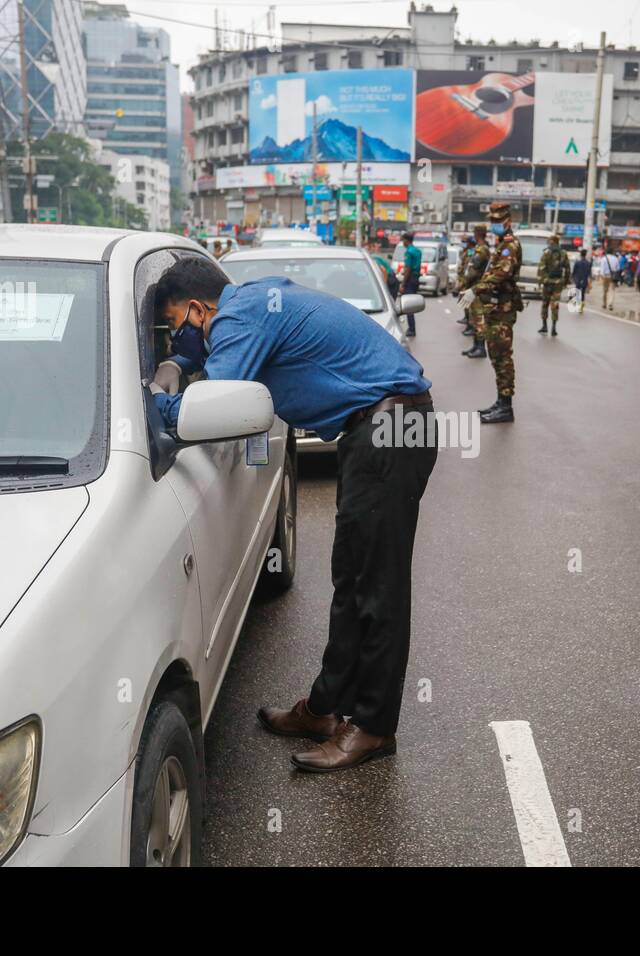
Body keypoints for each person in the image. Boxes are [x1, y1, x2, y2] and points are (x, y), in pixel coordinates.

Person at [148, 258, 437, 773]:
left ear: (198, 309)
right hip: (375, 429)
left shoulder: (238, 317)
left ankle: (371, 728)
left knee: (378, 589)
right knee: (351, 581)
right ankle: (326, 710)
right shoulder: (253, 304)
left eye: (176, 328)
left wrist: (154, 401)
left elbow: (213, 400)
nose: (179, 344)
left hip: (391, 429)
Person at [458, 201, 521, 422]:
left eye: (498, 221)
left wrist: (476, 289)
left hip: (503, 309)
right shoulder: (502, 244)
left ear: (508, 221)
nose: (494, 224)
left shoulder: (509, 246)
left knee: (502, 358)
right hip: (495, 308)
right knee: (496, 357)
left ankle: (506, 407)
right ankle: (501, 402)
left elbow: (501, 275)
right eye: (492, 221)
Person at [460, 224, 490, 357]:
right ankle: (475, 346)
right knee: (473, 318)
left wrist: (463, 283)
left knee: (479, 319)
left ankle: (481, 348)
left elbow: (474, 270)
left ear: (478, 233)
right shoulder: (478, 248)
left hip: (478, 288)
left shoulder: (482, 250)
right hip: (473, 287)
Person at [537, 233, 571, 335]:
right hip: (558, 283)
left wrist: (540, 281)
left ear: (551, 241)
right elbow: (568, 269)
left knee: (545, 304)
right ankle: (554, 328)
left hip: (547, 283)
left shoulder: (546, 253)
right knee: (555, 304)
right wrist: (565, 281)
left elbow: (541, 268)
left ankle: (544, 326)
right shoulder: (563, 253)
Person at [400, 233, 421, 337]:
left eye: (403, 240)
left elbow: (408, 269)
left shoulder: (409, 252)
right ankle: (411, 328)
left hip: (410, 279)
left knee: (408, 304)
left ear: (406, 240)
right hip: (416, 278)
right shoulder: (417, 251)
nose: (402, 242)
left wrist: (403, 284)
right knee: (411, 302)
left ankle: (411, 329)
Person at [571, 248, 592, 313]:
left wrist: (573, 278)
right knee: (583, 294)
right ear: (585, 255)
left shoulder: (577, 262)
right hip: (585, 280)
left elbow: (574, 272)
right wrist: (590, 282)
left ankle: (577, 305)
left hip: (578, 280)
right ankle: (581, 308)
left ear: (580, 254)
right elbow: (589, 273)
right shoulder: (588, 263)